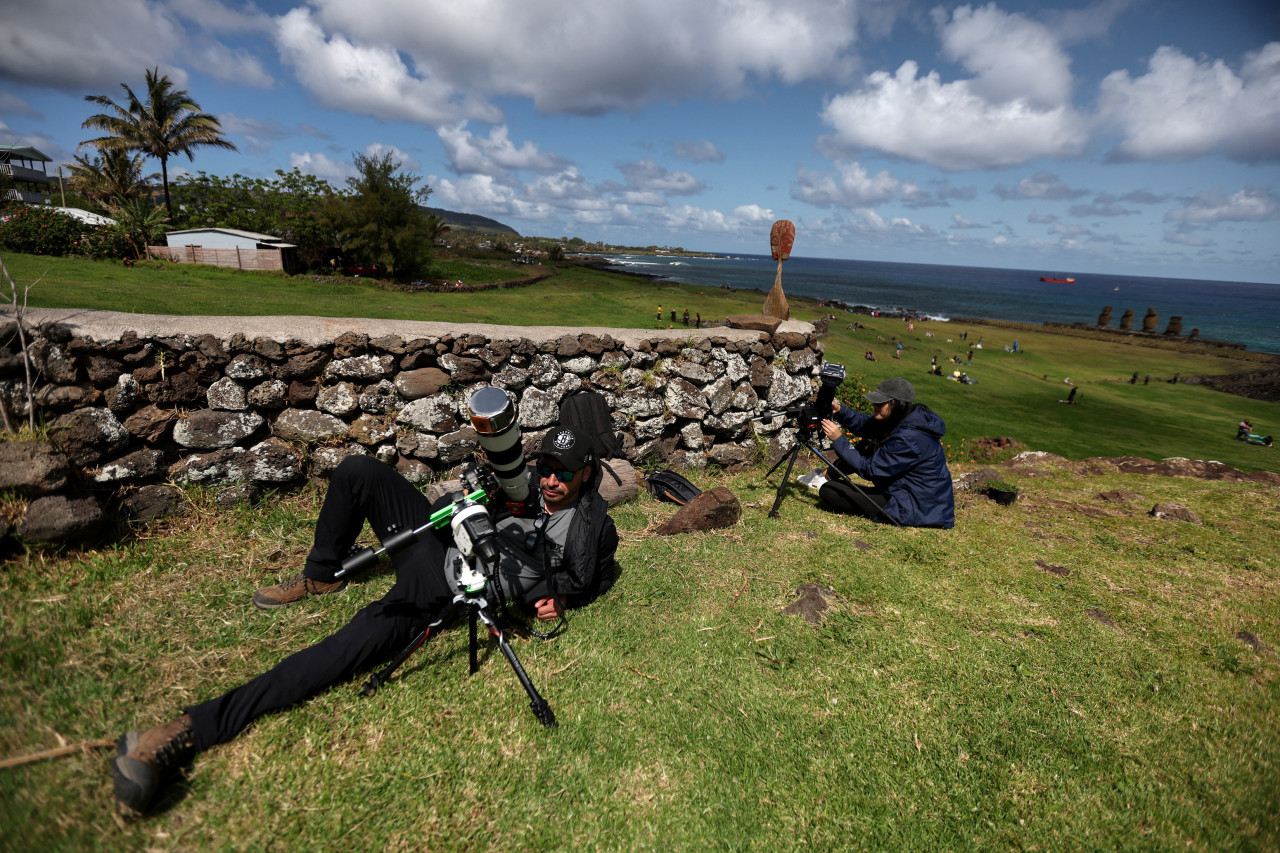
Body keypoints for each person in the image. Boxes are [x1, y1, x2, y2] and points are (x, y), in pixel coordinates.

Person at [111, 426, 619, 813]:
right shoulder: (524, 484)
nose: (550, 480)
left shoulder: (593, 527)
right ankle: (323, 573)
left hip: (438, 590)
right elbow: (461, 504)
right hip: (437, 539)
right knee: (359, 470)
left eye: (563, 473)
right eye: (545, 467)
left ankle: (183, 731)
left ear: (587, 473)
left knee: (337, 652)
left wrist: (557, 603)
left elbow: (589, 577)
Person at [816, 378, 955, 528]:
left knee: (830, 490)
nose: (874, 405)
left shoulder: (909, 438)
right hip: (909, 495)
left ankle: (825, 479)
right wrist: (840, 411)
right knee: (866, 447)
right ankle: (824, 475)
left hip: (919, 508)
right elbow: (865, 424)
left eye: (880, 403)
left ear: (898, 405)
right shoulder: (903, 418)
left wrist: (839, 440)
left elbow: (870, 470)